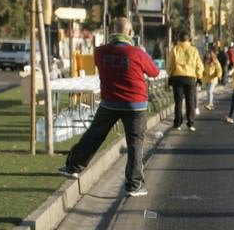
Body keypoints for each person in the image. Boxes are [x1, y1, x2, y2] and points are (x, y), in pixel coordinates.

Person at [57, 16, 160, 197]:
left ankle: (73, 166)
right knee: (135, 143)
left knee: (94, 135)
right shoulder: (137, 53)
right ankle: (134, 184)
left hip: (110, 102)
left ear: (113, 31)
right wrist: (143, 52)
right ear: (129, 32)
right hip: (136, 105)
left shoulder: (100, 52)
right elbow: (154, 72)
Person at [167, 30, 204, 131]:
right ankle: (190, 123)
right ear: (189, 40)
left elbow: (169, 64)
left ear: (179, 39)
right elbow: (199, 65)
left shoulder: (175, 49)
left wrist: (170, 75)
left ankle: (177, 123)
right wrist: (199, 77)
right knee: (190, 101)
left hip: (177, 77)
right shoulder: (194, 50)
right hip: (190, 78)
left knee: (178, 101)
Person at [200, 45, 223, 112]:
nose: (207, 55)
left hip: (213, 79)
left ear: (211, 55)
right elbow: (202, 69)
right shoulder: (204, 61)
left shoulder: (215, 61)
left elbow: (219, 69)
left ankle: (209, 104)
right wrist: (201, 74)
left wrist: (219, 76)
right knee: (208, 92)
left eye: (209, 54)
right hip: (207, 79)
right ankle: (210, 104)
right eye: (207, 54)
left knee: (209, 91)